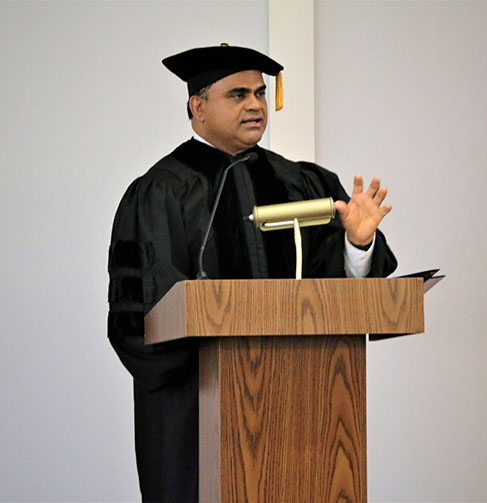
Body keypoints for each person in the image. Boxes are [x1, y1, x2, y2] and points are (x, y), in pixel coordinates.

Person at [108, 44, 397, 502]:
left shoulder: (304, 184)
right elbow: (139, 316)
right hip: (195, 412)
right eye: (238, 94)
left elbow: (339, 301)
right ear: (197, 106)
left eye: (260, 94)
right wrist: (227, 365)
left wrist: (357, 244)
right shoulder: (161, 191)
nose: (255, 106)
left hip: (305, 411)